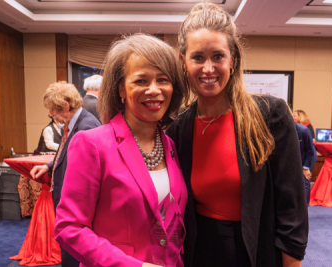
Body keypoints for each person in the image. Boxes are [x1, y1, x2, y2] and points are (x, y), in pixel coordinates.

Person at [167, 3, 308, 267]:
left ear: (233, 60)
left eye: (217, 56)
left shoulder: (270, 114)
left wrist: (291, 261)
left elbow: (292, 204)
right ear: (183, 62)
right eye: (198, 57)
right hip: (199, 251)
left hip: (256, 249)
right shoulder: (179, 127)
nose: (208, 68)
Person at [54, 34, 187, 267]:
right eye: (141, 81)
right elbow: (69, 228)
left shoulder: (170, 146)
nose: (154, 90)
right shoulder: (92, 144)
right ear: (121, 90)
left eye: (163, 79)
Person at [30, 81, 100, 267]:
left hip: (77, 209)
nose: (50, 115)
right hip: (69, 204)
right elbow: (69, 155)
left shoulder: (86, 127)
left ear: (66, 106)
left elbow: (89, 176)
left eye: (52, 110)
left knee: (74, 255)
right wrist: (50, 166)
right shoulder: (73, 123)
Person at [295, 122, 317, 204]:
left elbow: (310, 151)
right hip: (298, 156)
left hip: (309, 156)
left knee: (305, 181)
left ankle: (304, 209)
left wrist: (306, 168)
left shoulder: (303, 130)